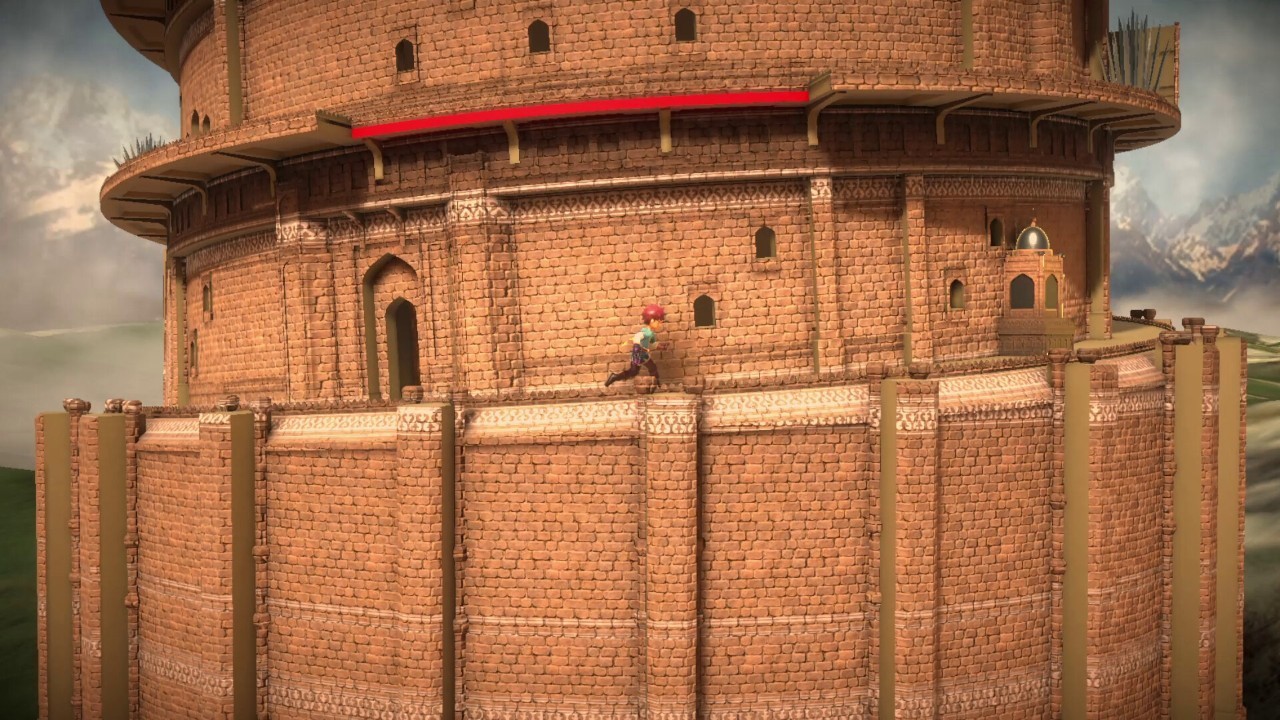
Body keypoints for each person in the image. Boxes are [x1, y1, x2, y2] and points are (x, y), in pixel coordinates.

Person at [604, 304, 664, 389]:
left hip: (643, 355)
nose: (659, 324)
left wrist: (659, 346)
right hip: (639, 354)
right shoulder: (646, 332)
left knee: (645, 369)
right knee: (639, 370)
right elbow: (637, 337)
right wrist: (638, 346)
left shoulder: (651, 333)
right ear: (652, 320)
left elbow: (650, 344)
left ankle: (657, 385)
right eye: (658, 322)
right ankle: (614, 377)